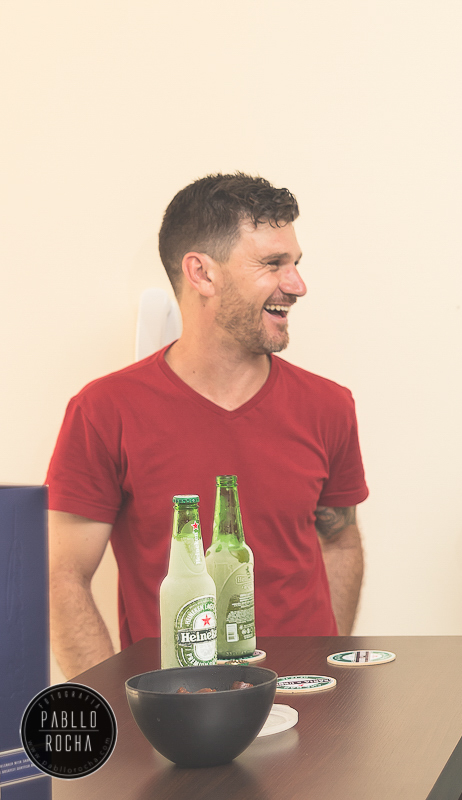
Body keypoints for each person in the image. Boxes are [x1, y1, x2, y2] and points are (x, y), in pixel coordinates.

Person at [47, 173, 369, 679]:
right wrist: (110, 712)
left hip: (308, 711)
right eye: (272, 263)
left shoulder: (329, 406)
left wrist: (328, 673)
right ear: (201, 273)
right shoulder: (104, 411)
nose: (297, 285)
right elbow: (62, 578)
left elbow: (340, 541)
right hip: (174, 718)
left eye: (296, 264)